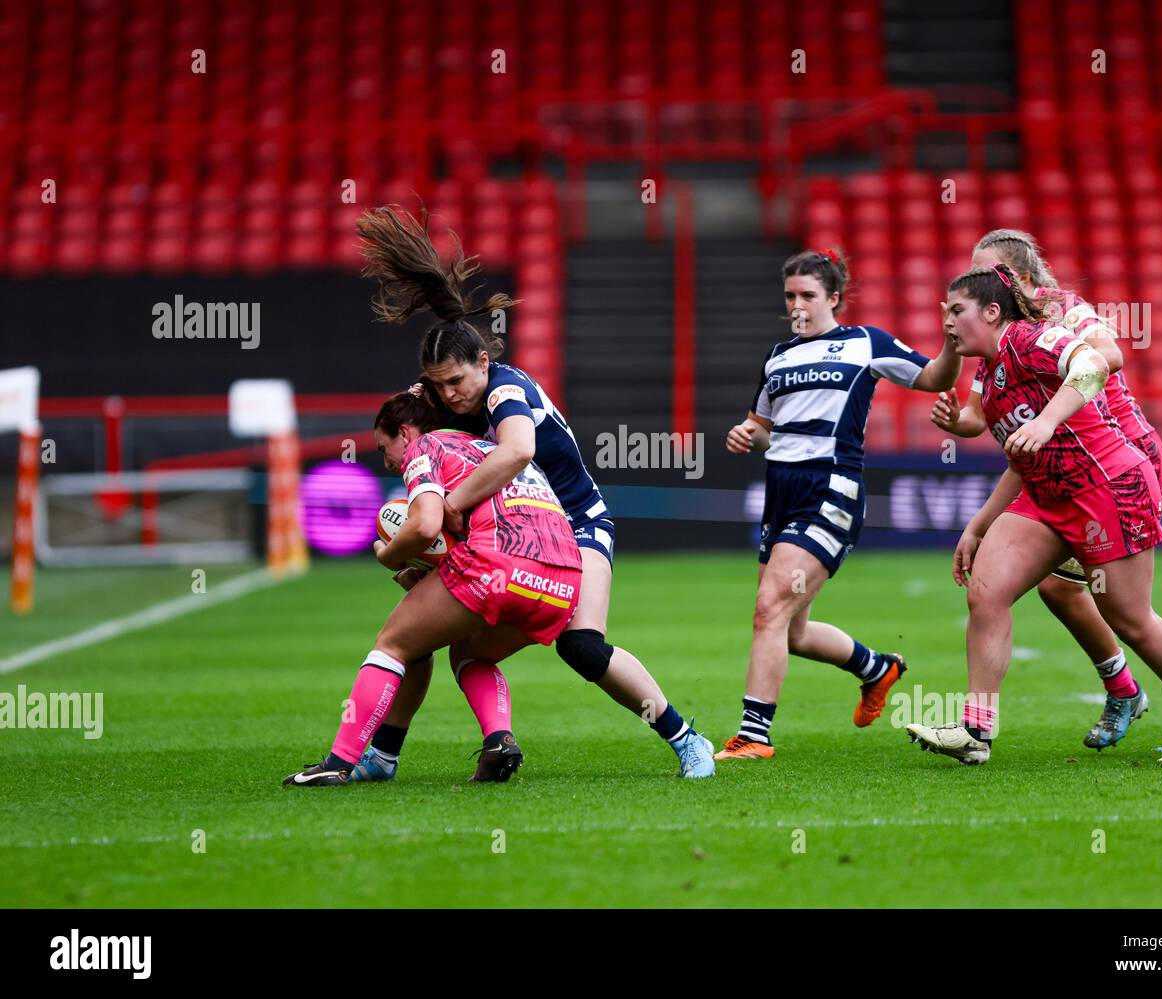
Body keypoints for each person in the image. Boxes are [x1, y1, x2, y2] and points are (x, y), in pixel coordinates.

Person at [348, 205, 715, 779]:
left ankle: (688, 740)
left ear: (484, 363)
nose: (452, 394)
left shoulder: (504, 388)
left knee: (583, 648)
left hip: (580, 524)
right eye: (440, 385)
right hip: (518, 538)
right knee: (461, 650)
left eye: (458, 381)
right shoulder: (450, 400)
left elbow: (516, 450)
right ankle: (407, 754)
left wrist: (448, 508)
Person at [907, 264, 1162, 766]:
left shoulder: (1034, 336)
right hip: (1046, 495)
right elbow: (1021, 458)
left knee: (1130, 619)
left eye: (956, 310)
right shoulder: (990, 375)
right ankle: (976, 729)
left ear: (992, 311)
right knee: (986, 593)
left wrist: (1047, 420)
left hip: (1107, 486)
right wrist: (978, 524)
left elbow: (1095, 366)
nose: (946, 321)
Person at [713, 248, 961, 760]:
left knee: (768, 612)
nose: (798, 305)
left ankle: (753, 736)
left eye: (808, 295)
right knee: (792, 630)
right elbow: (763, 428)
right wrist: (746, 434)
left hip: (830, 488)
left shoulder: (864, 343)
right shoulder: (777, 357)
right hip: (780, 491)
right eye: (790, 296)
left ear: (834, 298)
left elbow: (936, 378)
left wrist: (952, 343)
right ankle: (878, 668)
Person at [930, 229, 1162, 749]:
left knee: (1114, 607)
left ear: (1020, 277)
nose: (981, 283)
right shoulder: (996, 335)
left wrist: (1052, 388)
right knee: (1055, 588)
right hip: (1055, 463)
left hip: (1112, 455)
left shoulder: (1058, 311)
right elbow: (981, 417)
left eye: (990, 272)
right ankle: (1120, 692)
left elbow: (1106, 356)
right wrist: (958, 422)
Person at [283, 412, 585, 787]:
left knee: (393, 644)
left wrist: (388, 555)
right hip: (565, 580)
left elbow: (426, 526)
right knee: (466, 654)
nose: (388, 461)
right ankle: (497, 740)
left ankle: (338, 762)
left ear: (406, 432)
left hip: (500, 567)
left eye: (385, 447)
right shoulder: (491, 448)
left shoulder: (425, 445)